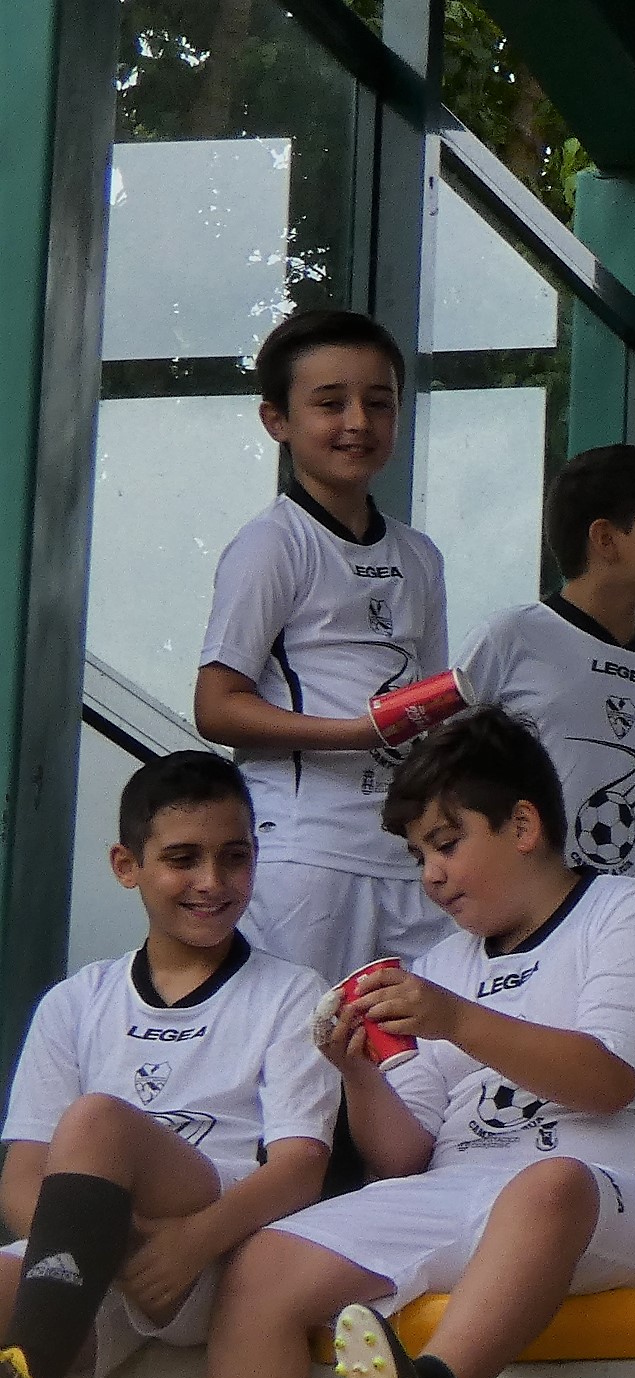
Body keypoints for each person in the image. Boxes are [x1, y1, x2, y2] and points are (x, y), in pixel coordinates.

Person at [203, 707, 635, 1378]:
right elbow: (403, 1156)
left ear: (524, 826)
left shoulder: (630, 913)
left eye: (446, 844)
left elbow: (605, 1080)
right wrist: (358, 1073)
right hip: (458, 1195)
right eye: (419, 857)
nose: (432, 877)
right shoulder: (440, 965)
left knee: (549, 1185)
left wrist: (456, 1019)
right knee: (260, 1268)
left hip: (620, 1201)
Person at [0, 755, 337, 1378]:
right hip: (98, 1266)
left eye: (235, 855)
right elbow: (21, 1181)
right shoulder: (76, 1001)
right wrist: (105, 1245)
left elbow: (301, 1165)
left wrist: (192, 1243)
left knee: (97, 1120)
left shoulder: (291, 992)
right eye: (184, 857)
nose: (213, 881)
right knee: (87, 1141)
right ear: (127, 865)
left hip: (216, 1240)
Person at [194, 307, 454, 976]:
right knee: (304, 1035)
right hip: (304, 854)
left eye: (379, 402)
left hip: (410, 855)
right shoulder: (272, 543)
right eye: (330, 403)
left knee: (431, 1039)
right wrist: (356, 732)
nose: (358, 422)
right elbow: (216, 706)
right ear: (276, 420)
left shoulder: (420, 556)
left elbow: (432, 709)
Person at [456, 445, 635, 907]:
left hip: (620, 918)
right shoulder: (511, 636)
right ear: (605, 539)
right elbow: (436, 783)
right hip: (522, 914)